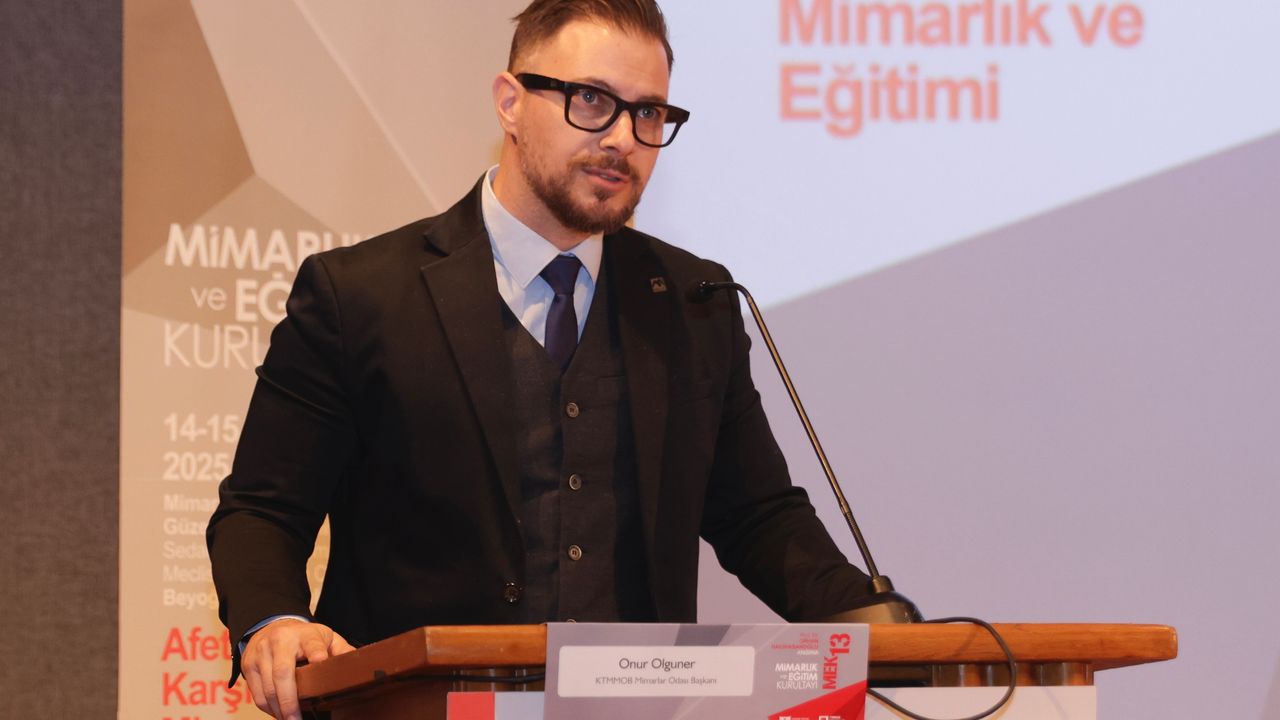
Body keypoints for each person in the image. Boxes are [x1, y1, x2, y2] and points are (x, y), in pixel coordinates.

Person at [207, 1, 873, 718]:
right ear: (510, 103)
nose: (622, 138)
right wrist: (275, 620)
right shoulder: (360, 295)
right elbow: (262, 511)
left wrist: (876, 626)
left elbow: (759, 517)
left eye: (649, 114)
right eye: (592, 100)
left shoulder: (694, 302)